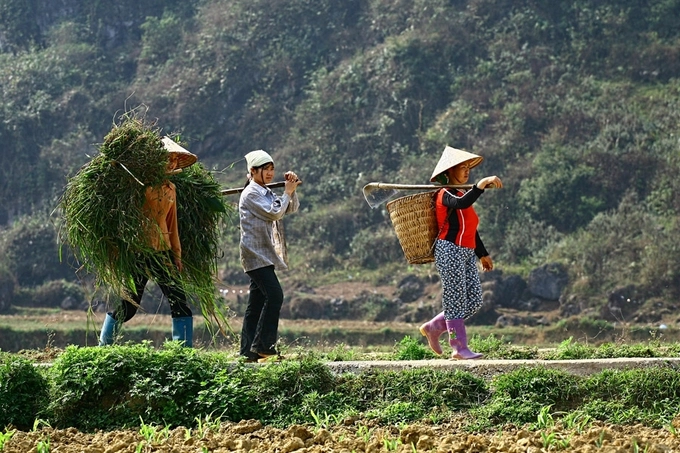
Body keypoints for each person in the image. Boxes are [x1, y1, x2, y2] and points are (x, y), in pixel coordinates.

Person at [99, 137, 197, 347]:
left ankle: (183, 352)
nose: (171, 163)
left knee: (179, 301)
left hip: (162, 253)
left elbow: (173, 225)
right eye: (166, 158)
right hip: (138, 252)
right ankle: (104, 346)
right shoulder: (140, 186)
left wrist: (176, 255)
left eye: (173, 159)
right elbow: (124, 216)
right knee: (130, 305)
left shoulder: (171, 188)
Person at [419, 146, 502, 360]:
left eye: (468, 167)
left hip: (466, 252)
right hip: (449, 250)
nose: (466, 171)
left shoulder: (463, 193)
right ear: (450, 171)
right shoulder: (445, 193)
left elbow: (471, 229)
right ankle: (458, 347)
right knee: (455, 300)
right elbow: (461, 203)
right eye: (461, 167)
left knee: (473, 300)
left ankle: (436, 325)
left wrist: (482, 254)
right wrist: (481, 185)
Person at [238, 150, 301, 362]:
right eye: (265, 169)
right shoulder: (252, 194)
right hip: (255, 254)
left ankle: (248, 352)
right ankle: (265, 346)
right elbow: (274, 213)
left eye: (271, 169)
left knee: (256, 304)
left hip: (265, 254)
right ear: (253, 171)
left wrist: (291, 190)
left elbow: (288, 208)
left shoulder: (265, 192)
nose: (269, 173)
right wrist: (287, 192)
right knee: (275, 295)